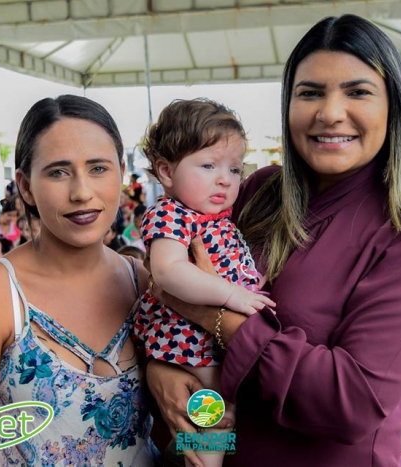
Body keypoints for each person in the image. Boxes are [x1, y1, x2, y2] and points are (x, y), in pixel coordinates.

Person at [146, 15, 401, 467]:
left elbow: (350, 404)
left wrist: (214, 316)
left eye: (357, 92)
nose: (330, 112)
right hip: (226, 449)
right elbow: (164, 291)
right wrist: (159, 371)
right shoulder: (256, 191)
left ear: (393, 106)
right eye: (310, 93)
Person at [0, 95, 159, 466]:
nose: (82, 192)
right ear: (26, 186)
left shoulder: (143, 284)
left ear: (121, 173)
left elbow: (192, 431)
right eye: (58, 172)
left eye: (98, 168)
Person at [135, 99, 275, 467]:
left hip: (209, 341)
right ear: (166, 171)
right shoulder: (171, 214)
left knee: (218, 418)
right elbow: (168, 271)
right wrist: (231, 293)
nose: (225, 179)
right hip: (190, 343)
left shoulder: (218, 219)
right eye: (209, 165)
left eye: (234, 168)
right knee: (214, 413)